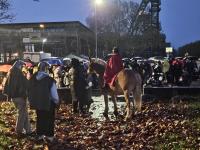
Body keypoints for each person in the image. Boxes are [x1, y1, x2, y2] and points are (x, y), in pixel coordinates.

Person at [28, 62, 59, 142]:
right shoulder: (49, 80)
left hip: (37, 102)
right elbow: (54, 94)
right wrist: (56, 101)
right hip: (48, 102)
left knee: (40, 118)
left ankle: (40, 134)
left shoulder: (32, 78)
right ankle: (49, 136)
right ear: (46, 69)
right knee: (49, 119)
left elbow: (29, 90)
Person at [3, 60, 31, 136]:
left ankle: (28, 130)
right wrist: (28, 77)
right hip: (20, 96)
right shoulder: (19, 74)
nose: (23, 68)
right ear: (19, 66)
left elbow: (6, 86)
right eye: (22, 66)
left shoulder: (10, 73)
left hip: (13, 97)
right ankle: (18, 131)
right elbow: (27, 84)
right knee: (22, 114)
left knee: (24, 113)